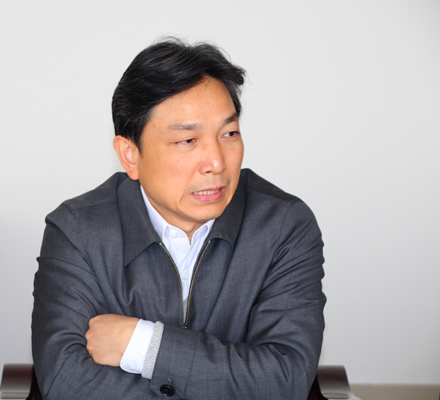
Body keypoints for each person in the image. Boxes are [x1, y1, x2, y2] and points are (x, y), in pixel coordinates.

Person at [32, 38, 325, 399]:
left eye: (229, 134)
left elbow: (286, 380)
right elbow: (65, 382)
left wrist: (145, 345)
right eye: (187, 140)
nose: (216, 162)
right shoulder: (78, 231)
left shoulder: (283, 226)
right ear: (130, 155)